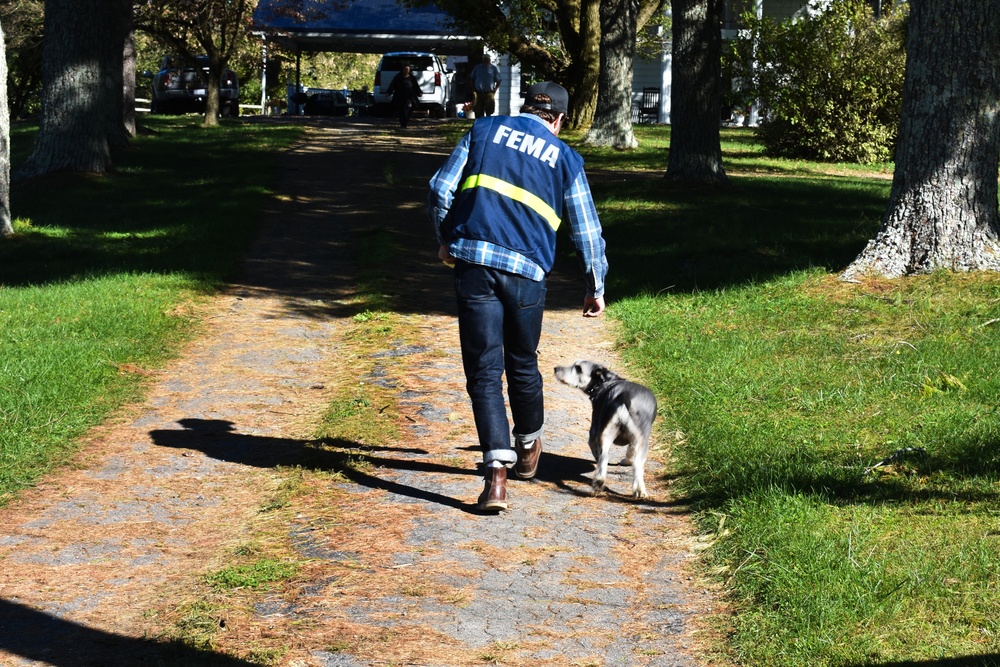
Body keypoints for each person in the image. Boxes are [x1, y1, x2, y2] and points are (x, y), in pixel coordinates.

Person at [427, 82, 609, 512]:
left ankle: (495, 479)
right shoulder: (566, 157)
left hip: (475, 262)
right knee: (522, 361)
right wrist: (594, 285)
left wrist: (445, 239)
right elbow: (585, 228)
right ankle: (528, 446)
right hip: (527, 272)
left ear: (524, 107)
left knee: (484, 369)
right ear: (559, 120)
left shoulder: (484, 130)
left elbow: (440, 188)